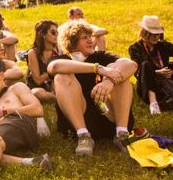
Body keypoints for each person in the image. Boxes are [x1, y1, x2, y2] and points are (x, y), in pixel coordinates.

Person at [48, 19, 136, 156]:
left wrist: (109, 81)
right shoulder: (63, 59)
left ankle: (121, 134)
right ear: (71, 42)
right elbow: (55, 67)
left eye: (90, 37)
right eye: (84, 38)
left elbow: (131, 64)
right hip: (81, 120)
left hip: (108, 116)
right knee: (62, 76)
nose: (90, 40)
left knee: (119, 75)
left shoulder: (99, 56)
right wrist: (98, 69)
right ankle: (84, 137)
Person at [128, 15, 173, 113]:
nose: (156, 37)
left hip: (166, 82)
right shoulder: (135, 48)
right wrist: (158, 72)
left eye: (158, 34)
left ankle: (165, 102)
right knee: (145, 65)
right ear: (145, 33)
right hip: (147, 84)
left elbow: (172, 56)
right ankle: (154, 103)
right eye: (153, 34)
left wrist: (170, 67)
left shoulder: (164, 46)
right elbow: (138, 69)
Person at [26, 20, 59, 136]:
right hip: (37, 87)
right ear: (43, 35)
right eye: (53, 32)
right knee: (36, 93)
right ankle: (59, 100)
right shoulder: (33, 53)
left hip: (54, 86)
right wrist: (52, 71)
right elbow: (38, 80)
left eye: (57, 32)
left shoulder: (59, 52)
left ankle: (57, 97)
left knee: (58, 80)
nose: (56, 35)